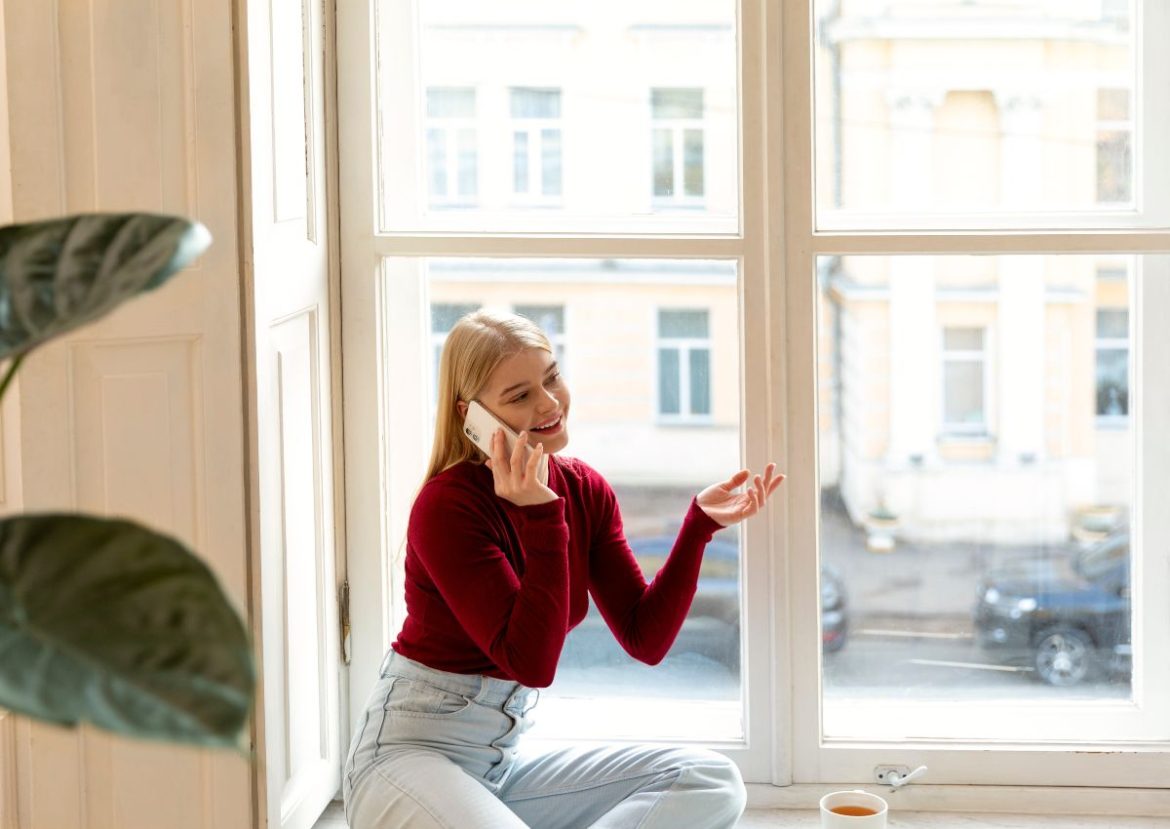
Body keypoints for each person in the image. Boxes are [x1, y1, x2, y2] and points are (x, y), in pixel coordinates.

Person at [343, 309, 784, 828]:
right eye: (520, 395)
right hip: (406, 761)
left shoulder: (584, 489)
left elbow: (646, 639)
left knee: (708, 780)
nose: (550, 403)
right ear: (473, 416)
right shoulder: (448, 508)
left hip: (498, 769)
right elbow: (531, 663)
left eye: (551, 377)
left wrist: (697, 528)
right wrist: (542, 515)